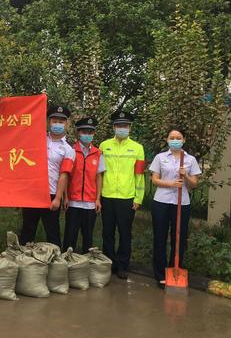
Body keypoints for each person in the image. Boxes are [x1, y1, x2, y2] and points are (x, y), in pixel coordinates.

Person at [149, 126, 201, 289]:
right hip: (162, 202)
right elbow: (155, 180)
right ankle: (160, 274)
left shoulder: (190, 159)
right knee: (160, 236)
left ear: (184, 140)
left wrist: (185, 175)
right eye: (172, 138)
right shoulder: (160, 157)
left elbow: (194, 184)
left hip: (181, 203)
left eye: (178, 138)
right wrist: (171, 183)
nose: (175, 140)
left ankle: (174, 269)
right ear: (167, 140)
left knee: (179, 238)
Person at [19, 105, 75, 247]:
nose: (57, 124)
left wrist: (58, 198)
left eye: (61, 122)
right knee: (27, 229)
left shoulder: (68, 150)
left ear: (67, 124)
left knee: (52, 231)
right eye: (54, 121)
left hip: (51, 194)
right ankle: (23, 261)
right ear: (48, 122)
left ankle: (55, 263)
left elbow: (64, 175)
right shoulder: (37, 140)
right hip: (32, 192)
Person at [99, 111, 145, 279]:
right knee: (107, 232)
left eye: (125, 126)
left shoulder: (137, 148)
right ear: (114, 127)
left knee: (125, 233)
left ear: (129, 128)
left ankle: (122, 265)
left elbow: (139, 175)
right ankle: (109, 263)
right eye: (119, 125)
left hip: (127, 198)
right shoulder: (104, 146)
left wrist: (138, 198)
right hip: (107, 195)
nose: (122, 128)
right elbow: (100, 173)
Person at [63, 117, 105, 253]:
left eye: (90, 132)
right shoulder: (71, 151)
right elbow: (65, 175)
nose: (88, 135)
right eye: (84, 131)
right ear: (78, 132)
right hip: (73, 202)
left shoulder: (98, 153)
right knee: (70, 236)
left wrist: (98, 198)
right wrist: (65, 196)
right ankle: (66, 264)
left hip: (90, 202)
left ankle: (86, 265)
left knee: (88, 237)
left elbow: (99, 177)